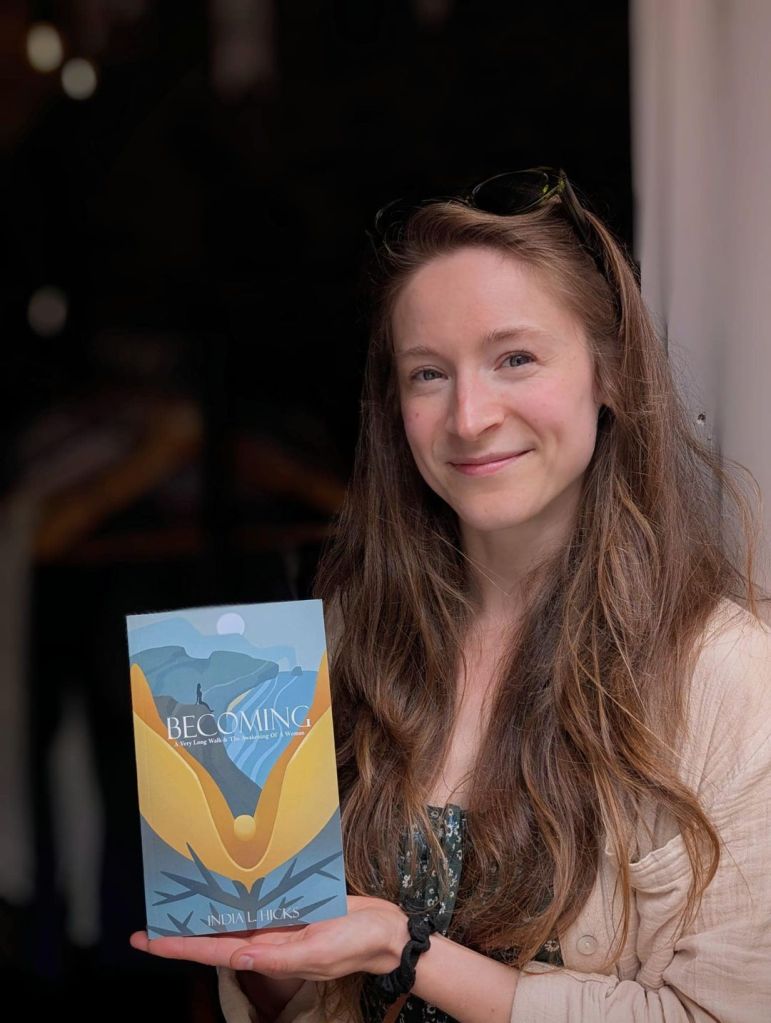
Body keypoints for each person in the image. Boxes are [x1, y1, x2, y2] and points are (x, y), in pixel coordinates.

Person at [129, 168, 771, 1023]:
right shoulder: (349, 640)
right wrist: (260, 951)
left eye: (515, 358)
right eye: (428, 373)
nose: (469, 417)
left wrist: (409, 955)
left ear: (609, 374)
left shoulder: (725, 675)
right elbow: (309, 999)